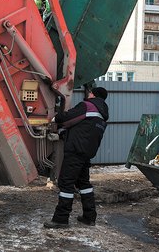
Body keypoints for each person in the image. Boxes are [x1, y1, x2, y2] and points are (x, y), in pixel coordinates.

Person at [43, 87, 109, 229]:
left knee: (66, 183)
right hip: (86, 153)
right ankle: (89, 217)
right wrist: (63, 134)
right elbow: (82, 129)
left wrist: (55, 118)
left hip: (75, 152)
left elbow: (69, 117)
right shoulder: (102, 114)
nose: (88, 94)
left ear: (93, 94)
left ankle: (61, 219)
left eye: (90, 92)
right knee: (84, 184)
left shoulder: (88, 105)